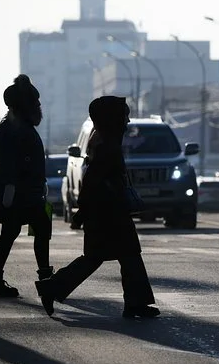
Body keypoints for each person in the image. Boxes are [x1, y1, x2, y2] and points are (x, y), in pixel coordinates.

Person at [35, 96, 159, 319]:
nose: (127, 122)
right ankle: (52, 288)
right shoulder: (107, 147)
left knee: (114, 257)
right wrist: (84, 211)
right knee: (118, 256)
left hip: (107, 213)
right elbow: (95, 183)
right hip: (108, 215)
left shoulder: (102, 141)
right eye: (124, 116)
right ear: (112, 119)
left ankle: (134, 303)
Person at [0, 74, 53, 298]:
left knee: (17, 233)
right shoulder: (12, 127)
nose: (39, 105)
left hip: (27, 192)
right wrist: (10, 192)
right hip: (21, 193)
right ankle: (45, 280)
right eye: (35, 102)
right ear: (24, 105)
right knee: (37, 229)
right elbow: (10, 163)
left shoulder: (18, 125)